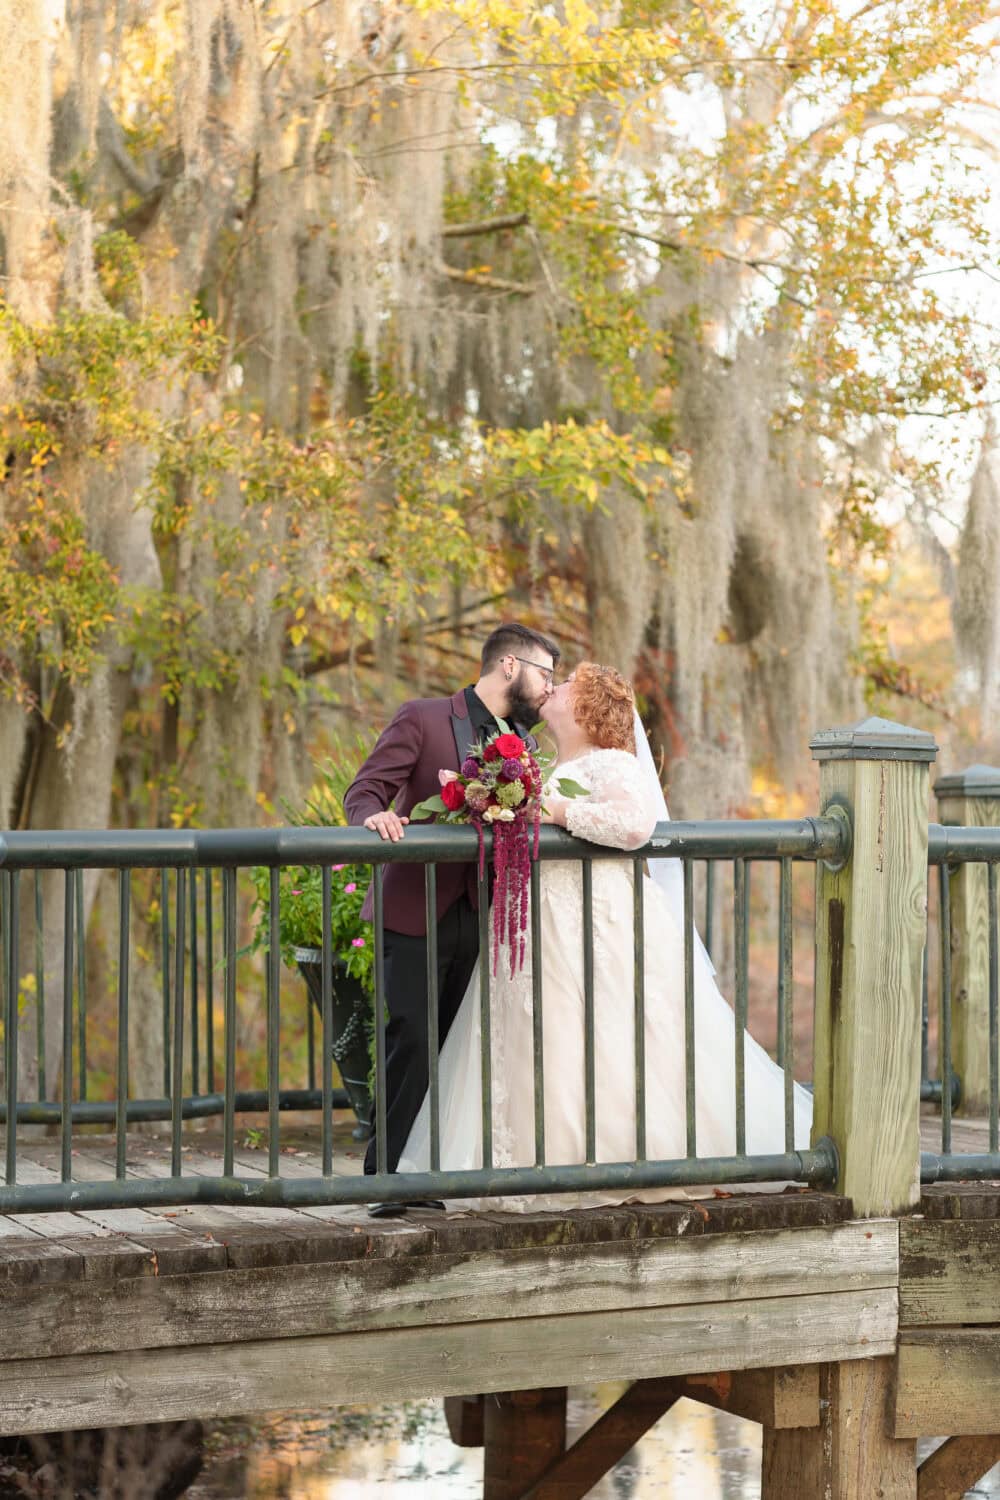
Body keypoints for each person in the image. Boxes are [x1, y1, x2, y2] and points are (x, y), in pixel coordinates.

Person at [397, 661, 813, 1210]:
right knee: (539, 1034)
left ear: (589, 706)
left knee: (609, 1031)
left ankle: (621, 1153)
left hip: (598, 919)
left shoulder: (613, 763)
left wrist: (551, 807)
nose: (554, 687)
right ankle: (536, 1160)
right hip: (537, 920)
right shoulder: (538, 762)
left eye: (566, 684)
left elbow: (633, 825)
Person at [343, 622, 560, 1203]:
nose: (550, 690)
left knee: (451, 1045)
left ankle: (420, 1170)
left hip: (480, 911)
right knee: (410, 1035)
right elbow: (364, 790)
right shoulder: (422, 717)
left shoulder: (527, 747)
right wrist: (373, 817)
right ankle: (387, 1177)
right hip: (414, 905)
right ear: (509, 666)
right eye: (546, 674)